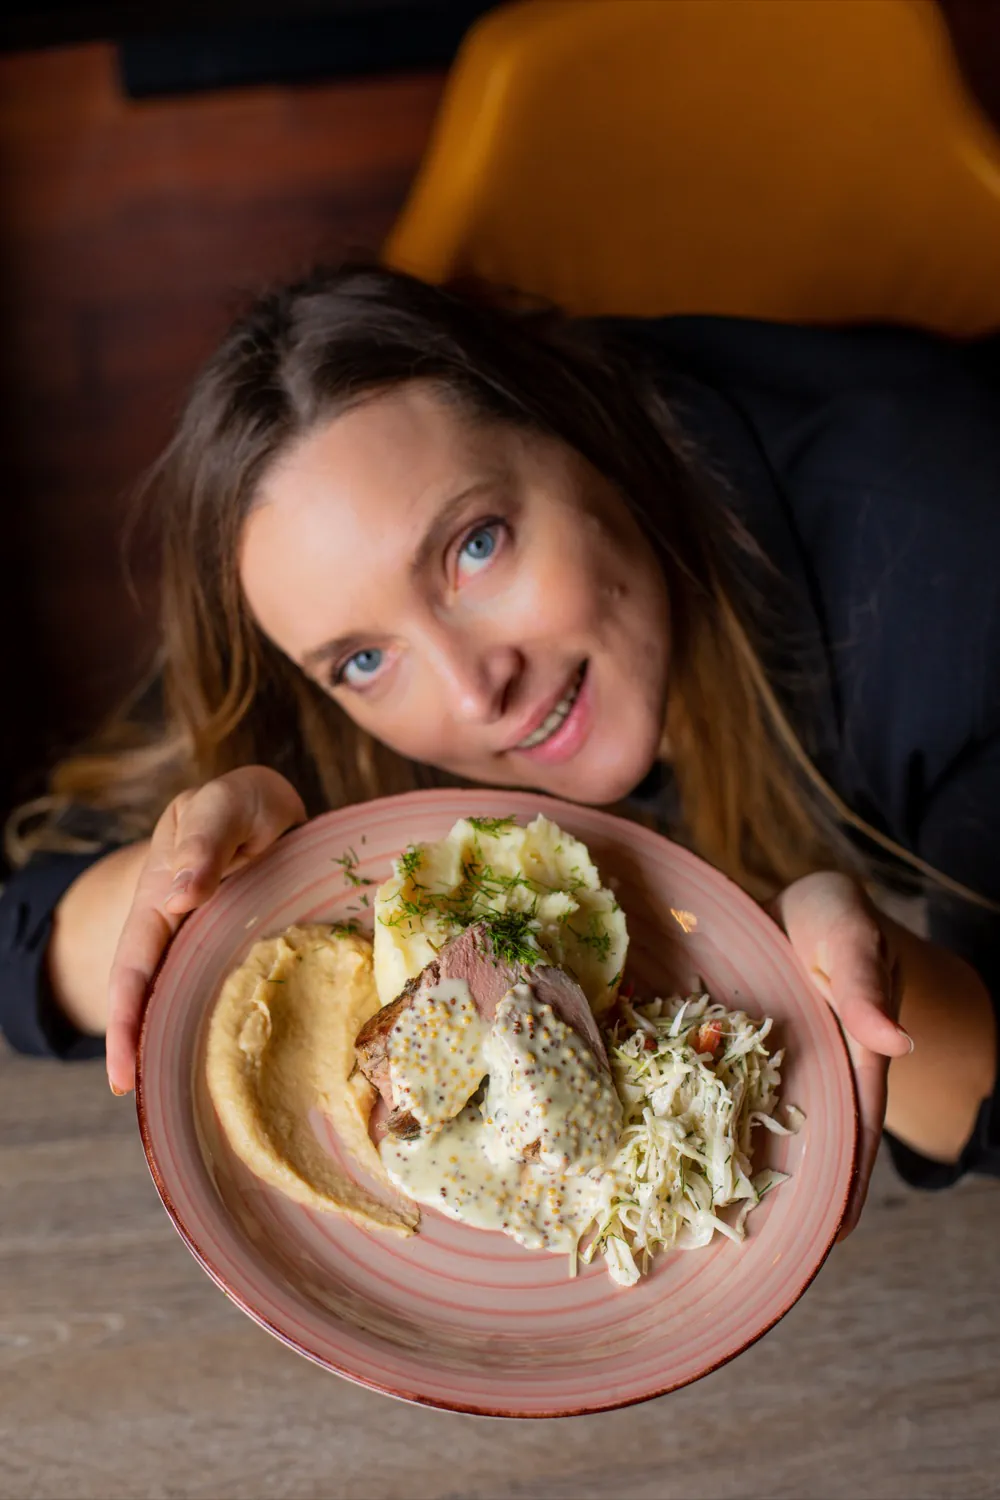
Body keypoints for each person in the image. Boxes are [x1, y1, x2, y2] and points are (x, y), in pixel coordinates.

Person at [1, 264, 998, 1234]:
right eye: (359, 661)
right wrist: (183, 889)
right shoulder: (314, 554)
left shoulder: (946, 580)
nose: (476, 693)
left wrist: (831, 982)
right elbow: (20, 937)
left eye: (475, 546)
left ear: (574, 423)